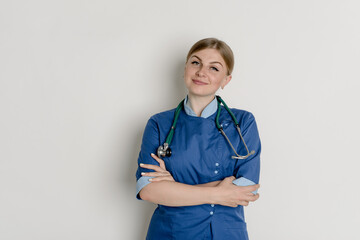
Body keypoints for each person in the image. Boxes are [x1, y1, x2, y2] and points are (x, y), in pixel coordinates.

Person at [135, 38, 261, 240]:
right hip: (170, 233)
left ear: (225, 80)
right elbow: (148, 190)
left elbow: (246, 188)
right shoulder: (159, 123)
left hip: (224, 233)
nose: (202, 72)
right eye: (196, 62)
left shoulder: (243, 122)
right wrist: (218, 193)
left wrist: (173, 188)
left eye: (214, 68)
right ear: (186, 68)